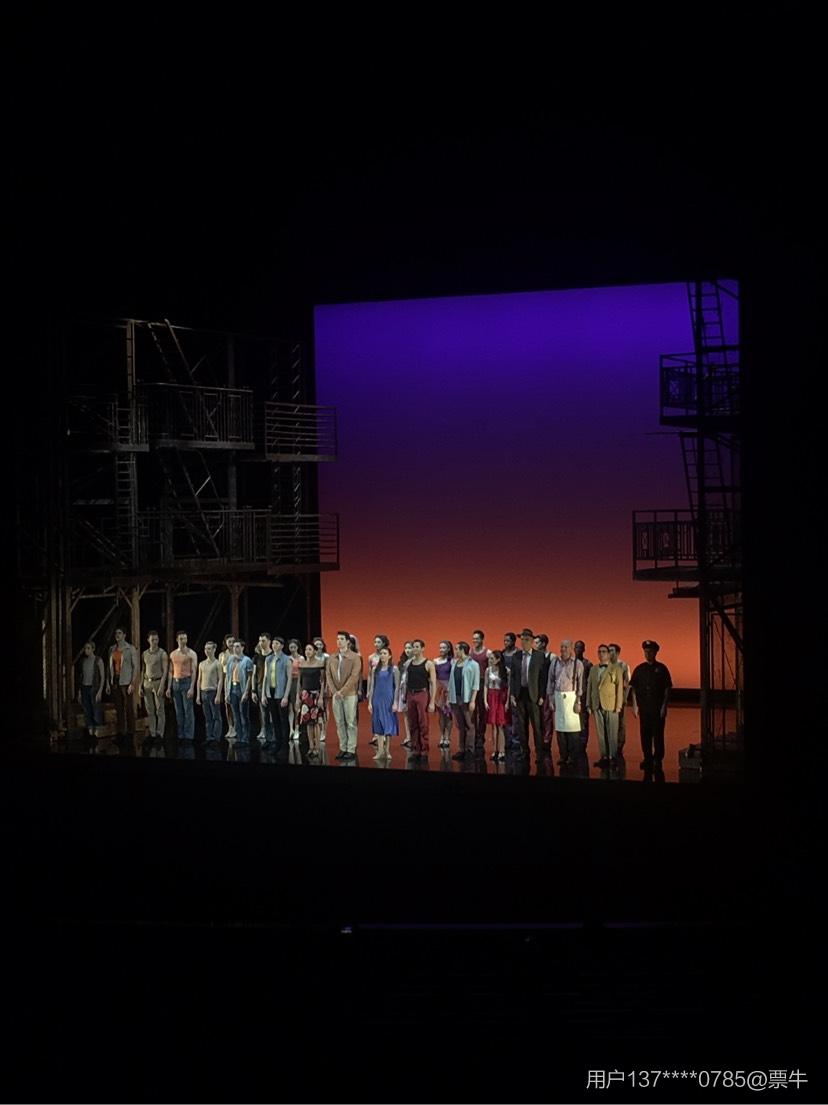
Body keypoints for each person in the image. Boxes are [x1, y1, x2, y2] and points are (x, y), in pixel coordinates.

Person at [630, 640, 673, 771]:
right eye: (646, 652)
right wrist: (635, 705)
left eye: (650, 651)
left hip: (657, 707)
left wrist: (664, 706)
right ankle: (647, 758)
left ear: (655, 653)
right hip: (644, 708)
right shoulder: (639, 669)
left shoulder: (662, 669)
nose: (647, 654)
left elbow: (667, 688)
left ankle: (658, 759)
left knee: (658, 734)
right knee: (645, 734)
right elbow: (633, 688)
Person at [325, 631, 363, 761]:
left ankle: (351, 749)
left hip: (349, 694)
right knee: (339, 721)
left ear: (347, 641)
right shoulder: (332, 657)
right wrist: (334, 691)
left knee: (350, 722)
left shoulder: (354, 657)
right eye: (337, 639)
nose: (339, 641)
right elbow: (328, 675)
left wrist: (342, 691)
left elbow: (354, 676)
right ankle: (343, 747)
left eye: (341, 639)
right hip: (336, 695)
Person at [547, 639, 585, 766]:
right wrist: (551, 699)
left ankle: (573, 757)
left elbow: (580, 683)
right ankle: (563, 755)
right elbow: (550, 681)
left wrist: (578, 701)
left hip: (571, 698)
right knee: (560, 730)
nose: (563, 649)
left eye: (566, 647)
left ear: (571, 648)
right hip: (558, 697)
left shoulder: (577, 664)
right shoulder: (555, 662)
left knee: (572, 730)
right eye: (562, 647)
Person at [509, 628, 547, 757]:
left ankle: (539, 753)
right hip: (520, 694)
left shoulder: (539, 656)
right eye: (522, 640)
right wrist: (512, 694)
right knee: (521, 725)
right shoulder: (516, 656)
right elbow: (513, 676)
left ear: (531, 641)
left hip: (534, 695)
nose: (523, 642)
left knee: (537, 725)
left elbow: (543, 678)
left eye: (526, 640)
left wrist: (542, 695)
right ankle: (524, 751)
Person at [586, 644, 625, 767]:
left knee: (612, 732)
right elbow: (590, 687)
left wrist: (618, 705)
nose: (601, 654)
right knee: (601, 733)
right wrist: (588, 704)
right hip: (597, 704)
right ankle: (604, 756)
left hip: (611, 704)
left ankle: (613, 757)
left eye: (604, 651)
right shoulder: (593, 669)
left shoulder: (616, 669)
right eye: (599, 652)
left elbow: (619, 688)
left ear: (608, 654)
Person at [405, 640, 437, 762]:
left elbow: (433, 683)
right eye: (413, 647)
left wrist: (432, 701)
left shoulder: (428, 664)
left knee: (423, 723)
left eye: (417, 647)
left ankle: (424, 750)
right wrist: (405, 697)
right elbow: (406, 681)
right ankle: (415, 749)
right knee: (412, 722)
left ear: (423, 648)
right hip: (411, 694)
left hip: (422, 693)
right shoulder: (409, 663)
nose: (415, 649)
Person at [447, 641, 480, 759]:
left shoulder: (473, 664)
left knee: (469, 724)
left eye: (457, 649)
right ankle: (462, 749)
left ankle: (470, 749)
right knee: (460, 725)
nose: (455, 651)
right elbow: (451, 681)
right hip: (456, 698)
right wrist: (449, 698)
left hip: (466, 698)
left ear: (462, 650)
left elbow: (476, 684)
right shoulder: (454, 663)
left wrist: (473, 700)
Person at [106, 627, 140, 741]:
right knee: (119, 707)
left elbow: (135, 667)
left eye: (120, 633)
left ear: (124, 635)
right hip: (116, 680)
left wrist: (132, 683)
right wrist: (108, 682)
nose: (117, 635)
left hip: (126, 681)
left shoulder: (130, 649)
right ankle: (122, 731)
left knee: (129, 707)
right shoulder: (112, 649)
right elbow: (109, 667)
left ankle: (131, 732)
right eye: (116, 633)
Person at [262, 636, 292, 759]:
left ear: (282, 646)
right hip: (270, 692)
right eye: (273, 643)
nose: (274, 645)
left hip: (281, 692)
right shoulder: (268, 659)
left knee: (283, 719)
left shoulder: (286, 659)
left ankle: (285, 745)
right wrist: (263, 694)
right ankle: (277, 743)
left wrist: (286, 696)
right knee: (274, 719)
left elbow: (289, 679)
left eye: (277, 643)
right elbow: (265, 677)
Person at [367, 644, 400, 760]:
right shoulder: (375, 669)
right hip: (377, 699)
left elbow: (397, 687)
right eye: (381, 653)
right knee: (378, 724)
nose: (382, 655)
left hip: (388, 699)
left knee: (388, 724)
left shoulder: (394, 669)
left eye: (385, 653)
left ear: (390, 656)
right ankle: (380, 751)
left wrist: (395, 702)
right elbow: (372, 686)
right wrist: (370, 702)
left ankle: (387, 750)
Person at [166, 631, 198, 741]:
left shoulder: (191, 653)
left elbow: (194, 671)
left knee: (188, 710)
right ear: (177, 640)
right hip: (176, 683)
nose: (183, 641)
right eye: (181, 639)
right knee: (178, 711)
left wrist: (192, 687)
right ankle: (180, 734)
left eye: (185, 638)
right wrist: (168, 687)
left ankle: (188, 736)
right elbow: (170, 671)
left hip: (186, 682)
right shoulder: (173, 654)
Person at [296, 643, 326, 758]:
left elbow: (322, 682)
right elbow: (299, 682)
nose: (307, 651)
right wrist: (298, 697)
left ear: (315, 651)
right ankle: (311, 747)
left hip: (315, 694)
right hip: (305, 695)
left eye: (310, 649)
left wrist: (321, 697)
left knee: (316, 722)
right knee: (308, 722)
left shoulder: (320, 664)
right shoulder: (302, 664)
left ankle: (317, 748)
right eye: (306, 649)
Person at [140, 630, 169, 741]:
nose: (155, 642)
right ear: (148, 640)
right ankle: (152, 733)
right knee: (150, 709)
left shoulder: (162, 653)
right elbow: (143, 670)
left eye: (156, 639)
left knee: (159, 709)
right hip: (147, 682)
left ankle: (160, 733)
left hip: (157, 681)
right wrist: (140, 685)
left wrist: (162, 686)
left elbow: (165, 671)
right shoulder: (145, 654)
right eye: (153, 640)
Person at [225, 639, 254, 743]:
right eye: (234, 646)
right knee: (236, 715)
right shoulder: (230, 660)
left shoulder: (247, 660)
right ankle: (239, 737)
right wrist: (227, 692)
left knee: (243, 715)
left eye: (237, 646)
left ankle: (245, 738)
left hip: (241, 688)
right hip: (232, 688)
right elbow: (228, 677)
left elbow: (250, 677)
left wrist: (246, 692)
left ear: (242, 648)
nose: (235, 648)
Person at [484, 650, 509, 761]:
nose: (490, 660)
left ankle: (502, 751)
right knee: (493, 725)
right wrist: (485, 700)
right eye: (489, 658)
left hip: (501, 698)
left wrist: (507, 702)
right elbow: (485, 685)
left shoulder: (506, 671)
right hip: (491, 697)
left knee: (500, 725)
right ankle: (495, 750)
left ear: (498, 660)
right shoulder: (488, 670)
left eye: (492, 658)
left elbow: (509, 687)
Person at [77, 641, 105, 738]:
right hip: (85, 687)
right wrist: (79, 691)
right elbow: (81, 676)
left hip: (94, 688)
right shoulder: (83, 661)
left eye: (88, 648)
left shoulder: (98, 660)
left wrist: (100, 691)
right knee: (87, 711)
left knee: (96, 711)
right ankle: (90, 733)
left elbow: (102, 676)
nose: (86, 650)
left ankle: (97, 734)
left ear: (93, 649)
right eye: (85, 648)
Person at [196, 640, 223, 743]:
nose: (207, 651)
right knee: (207, 717)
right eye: (206, 649)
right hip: (204, 692)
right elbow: (199, 680)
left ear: (214, 650)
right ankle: (209, 737)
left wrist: (218, 695)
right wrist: (198, 695)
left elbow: (220, 679)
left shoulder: (217, 664)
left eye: (209, 649)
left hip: (213, 691)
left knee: (216, 716)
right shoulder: (201, 664)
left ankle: (216, 738)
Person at [607, 643, 631, 755]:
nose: (609, 652)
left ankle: (619, 746)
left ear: (617, 652)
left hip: (619, 698)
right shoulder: (605, 665)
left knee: (620, 723)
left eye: (612, 650)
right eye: (609, 650)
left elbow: (628, 684)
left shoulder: (623, 665)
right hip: (607, 699)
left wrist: (624, 698)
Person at [366, 635, 390, 745]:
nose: (376, 644)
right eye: (375, 642)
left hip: (384, 687)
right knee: (375, 711)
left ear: (384, 643)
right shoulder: (371, 657)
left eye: (379, 642)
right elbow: (370, 675)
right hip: (375, 686)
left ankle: (384, 733)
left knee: (384, 711)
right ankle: (376, 734)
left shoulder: (387, 655)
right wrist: (368, 690)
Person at [469, 630, 490, 751]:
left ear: (482, 639)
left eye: (477, 638)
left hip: (482, 683)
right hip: (472, 684)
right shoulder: (470, 652)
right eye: (473, 638)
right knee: (472, 711)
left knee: (482, 712)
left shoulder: (487, 653)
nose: (475, 640)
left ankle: (481, 737)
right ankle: (473, 735)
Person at [251, 634, 274, 745]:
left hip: (272, 686)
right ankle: (264, 730)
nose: (261, 643)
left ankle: (273, 734)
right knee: (263, 711)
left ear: (269, 641)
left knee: (272, 712)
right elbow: (254, 674)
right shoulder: (257, 657)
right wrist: (253, 690)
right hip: (260, 686)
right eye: (260, 641)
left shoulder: (273, 655)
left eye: (263, 641)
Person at [433, 640, 454, 748]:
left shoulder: (452, 661)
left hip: (449, 689)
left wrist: (449, 689)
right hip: (439, 689)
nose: (441, 650)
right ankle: (442, 735)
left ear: (448, 649)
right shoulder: (435, 661)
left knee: (448, 714)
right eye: (440, 647)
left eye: (444, 648)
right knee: (441, 714)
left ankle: (447, 737)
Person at [574, 641, 593, 749]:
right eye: (576, 647)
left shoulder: (588, 664)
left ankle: (582, 746)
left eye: (580, 648)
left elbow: (590, 683)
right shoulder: (570, 663)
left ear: (584, 649)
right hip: (571, 697)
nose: (578, 650)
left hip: (584, 697)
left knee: (584, 723)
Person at [502, 632, 519, 749]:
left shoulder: (518, 654)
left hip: (514, 687)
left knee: (515, 714)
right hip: (504, 687)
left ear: (513, 642)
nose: (505, 643)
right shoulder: (502, 654)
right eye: (504, 641)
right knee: (505, 713)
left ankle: (516, 740)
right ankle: (506, 739)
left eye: (508, 641)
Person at [218, 635, 237, 739]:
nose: (231, 644)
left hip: (235, 679)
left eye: (233, 641)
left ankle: (237, 727)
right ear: (225, 642)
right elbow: (220, 670)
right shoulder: (222, 655)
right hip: (226, 679)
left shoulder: (237, 653)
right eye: (229, 642)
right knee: (227, 704)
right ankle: (230, 727)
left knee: (236, 704)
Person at [397, 641, 414, 747]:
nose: (407, 650)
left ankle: (414, 737)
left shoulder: (416, 661)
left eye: (410, 648)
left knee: (413, 715)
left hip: (412, 690)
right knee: (406, 714)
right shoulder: (402, 662)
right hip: (403, 690)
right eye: (406, 648)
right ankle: (408, 736)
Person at [313, 638, 329, 742]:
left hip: (324, 683)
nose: (318, 646)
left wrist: (327, 686)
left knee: (325, 708)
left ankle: (324, 730)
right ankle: (317, 731)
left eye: (320, 644)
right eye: (316, 644)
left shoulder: (326, 657)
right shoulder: (312, 656)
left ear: (323, 646)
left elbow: (328, 672)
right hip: (314, 684)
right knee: (315, 708)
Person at [287, 639, 303, 739]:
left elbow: (302, 673)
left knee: (296, 707)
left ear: (297, 647)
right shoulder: (287, 658)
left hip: (298, 681)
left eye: (294, 647)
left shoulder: (301, 658)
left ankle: (297, 728)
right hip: (289, 681)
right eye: (291, 647)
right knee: (290, 707)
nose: (292, 649)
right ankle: (291, 729)